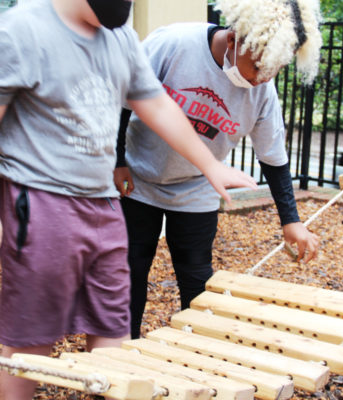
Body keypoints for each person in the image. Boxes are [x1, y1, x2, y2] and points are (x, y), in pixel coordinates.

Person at [0, 0, 258, 398]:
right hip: (41, 205)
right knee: (31, 341)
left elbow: (154, 103)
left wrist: (209, 164)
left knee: (112, 330)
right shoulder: (20, 31)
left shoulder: (120, 36)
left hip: (105, 206)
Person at [114, 0, 323, 339]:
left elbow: (274, 158)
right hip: (138, 176)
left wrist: (291, 221)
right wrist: (117, 161)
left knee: (196, 278)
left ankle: (195, 353)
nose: (262, 78)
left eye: (275, 69)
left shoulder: (262, 92)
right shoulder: (173, 44)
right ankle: (125, 350)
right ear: (233, 40)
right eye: (258, 66)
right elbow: (122, 100)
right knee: (131, 270)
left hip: (196, 184)